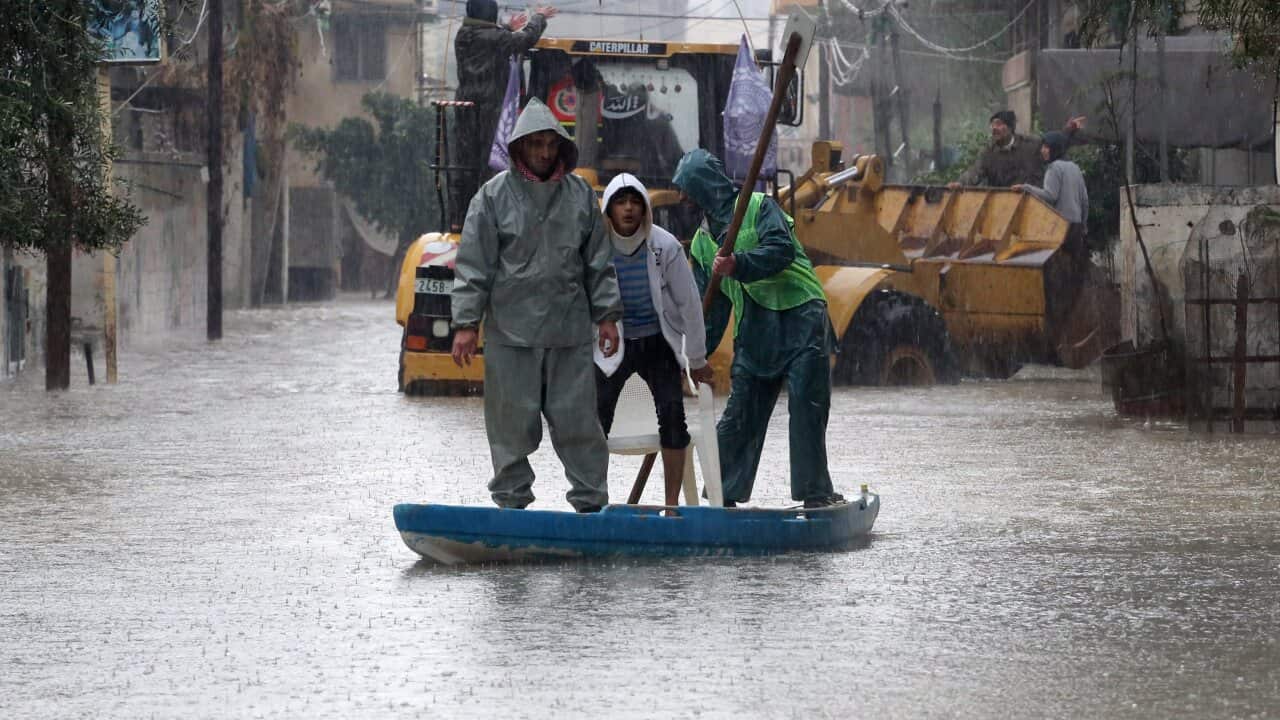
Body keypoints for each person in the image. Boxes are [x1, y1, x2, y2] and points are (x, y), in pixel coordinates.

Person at [451, 98, 622, 514]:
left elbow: (598, 262)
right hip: (511, 334)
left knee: (580, 423)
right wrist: (466, 324)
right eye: (536, 144)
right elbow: (474, 264)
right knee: (509, 425)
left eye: (551, 144)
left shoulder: (580, 195)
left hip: (569, 332)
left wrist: (608, 316)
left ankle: (591, 506)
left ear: (560, 146)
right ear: (520, 148)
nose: (545, 152)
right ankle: (511, 507)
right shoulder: (492, 197)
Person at [672, 149, 844, 509]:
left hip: (800, 315)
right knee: (741, 411)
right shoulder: (701, 243)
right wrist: (695, 358)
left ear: (705, 185)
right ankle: (722, 494)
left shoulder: (758, 207)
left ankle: (815, 493)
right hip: (754, 328)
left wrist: (740, 263)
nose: (683, 198)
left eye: (687, 189)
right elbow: (712, 309)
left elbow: (781, 250)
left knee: (807, 405)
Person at [594, 173, 714, 508]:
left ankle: (671, 505)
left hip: (658, 342)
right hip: (612, 345)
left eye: (635, 202)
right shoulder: (595, 248)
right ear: (609, 210)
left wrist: (697, 360)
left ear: (645, 208)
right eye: (620, 202)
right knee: (593, 420)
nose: (628, 209)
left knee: (673, 416)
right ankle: (593, 501)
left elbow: (690, 305)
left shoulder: (665, 246)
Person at [451, 1, 557, 230]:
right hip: (489, 107)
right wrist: (539, 17)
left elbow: (489, 40)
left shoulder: (463, 35)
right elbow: (525, 39)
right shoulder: (496, 38)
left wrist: (507, 28)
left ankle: (460, 217)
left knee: (464, 163)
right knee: (491, 163)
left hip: (465, 107)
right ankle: (487, 216)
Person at [1014, 130, 1091, 272]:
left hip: (1060, 226)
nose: (1042, 150)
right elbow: (1085, 201)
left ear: (1054, 148)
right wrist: (1084, 226)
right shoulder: (1075, 168)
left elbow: (1050, 196)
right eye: (1043, 147)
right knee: (1072, 270)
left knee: (1056, 271)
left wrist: (1026, 188)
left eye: (1046, 147)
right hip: (1076, 227)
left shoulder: (1054, 168)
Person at [949, 111, 1085, 188]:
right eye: (992, 125)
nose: (994, 128)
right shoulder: (988, 153)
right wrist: (960, 183)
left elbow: (1054, 144)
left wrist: (1069, 130)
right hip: (1002, 207)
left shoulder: (1031, 145)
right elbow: (975, 172)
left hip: (1033, 204)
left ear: (1010, 127)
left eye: (999, 124)